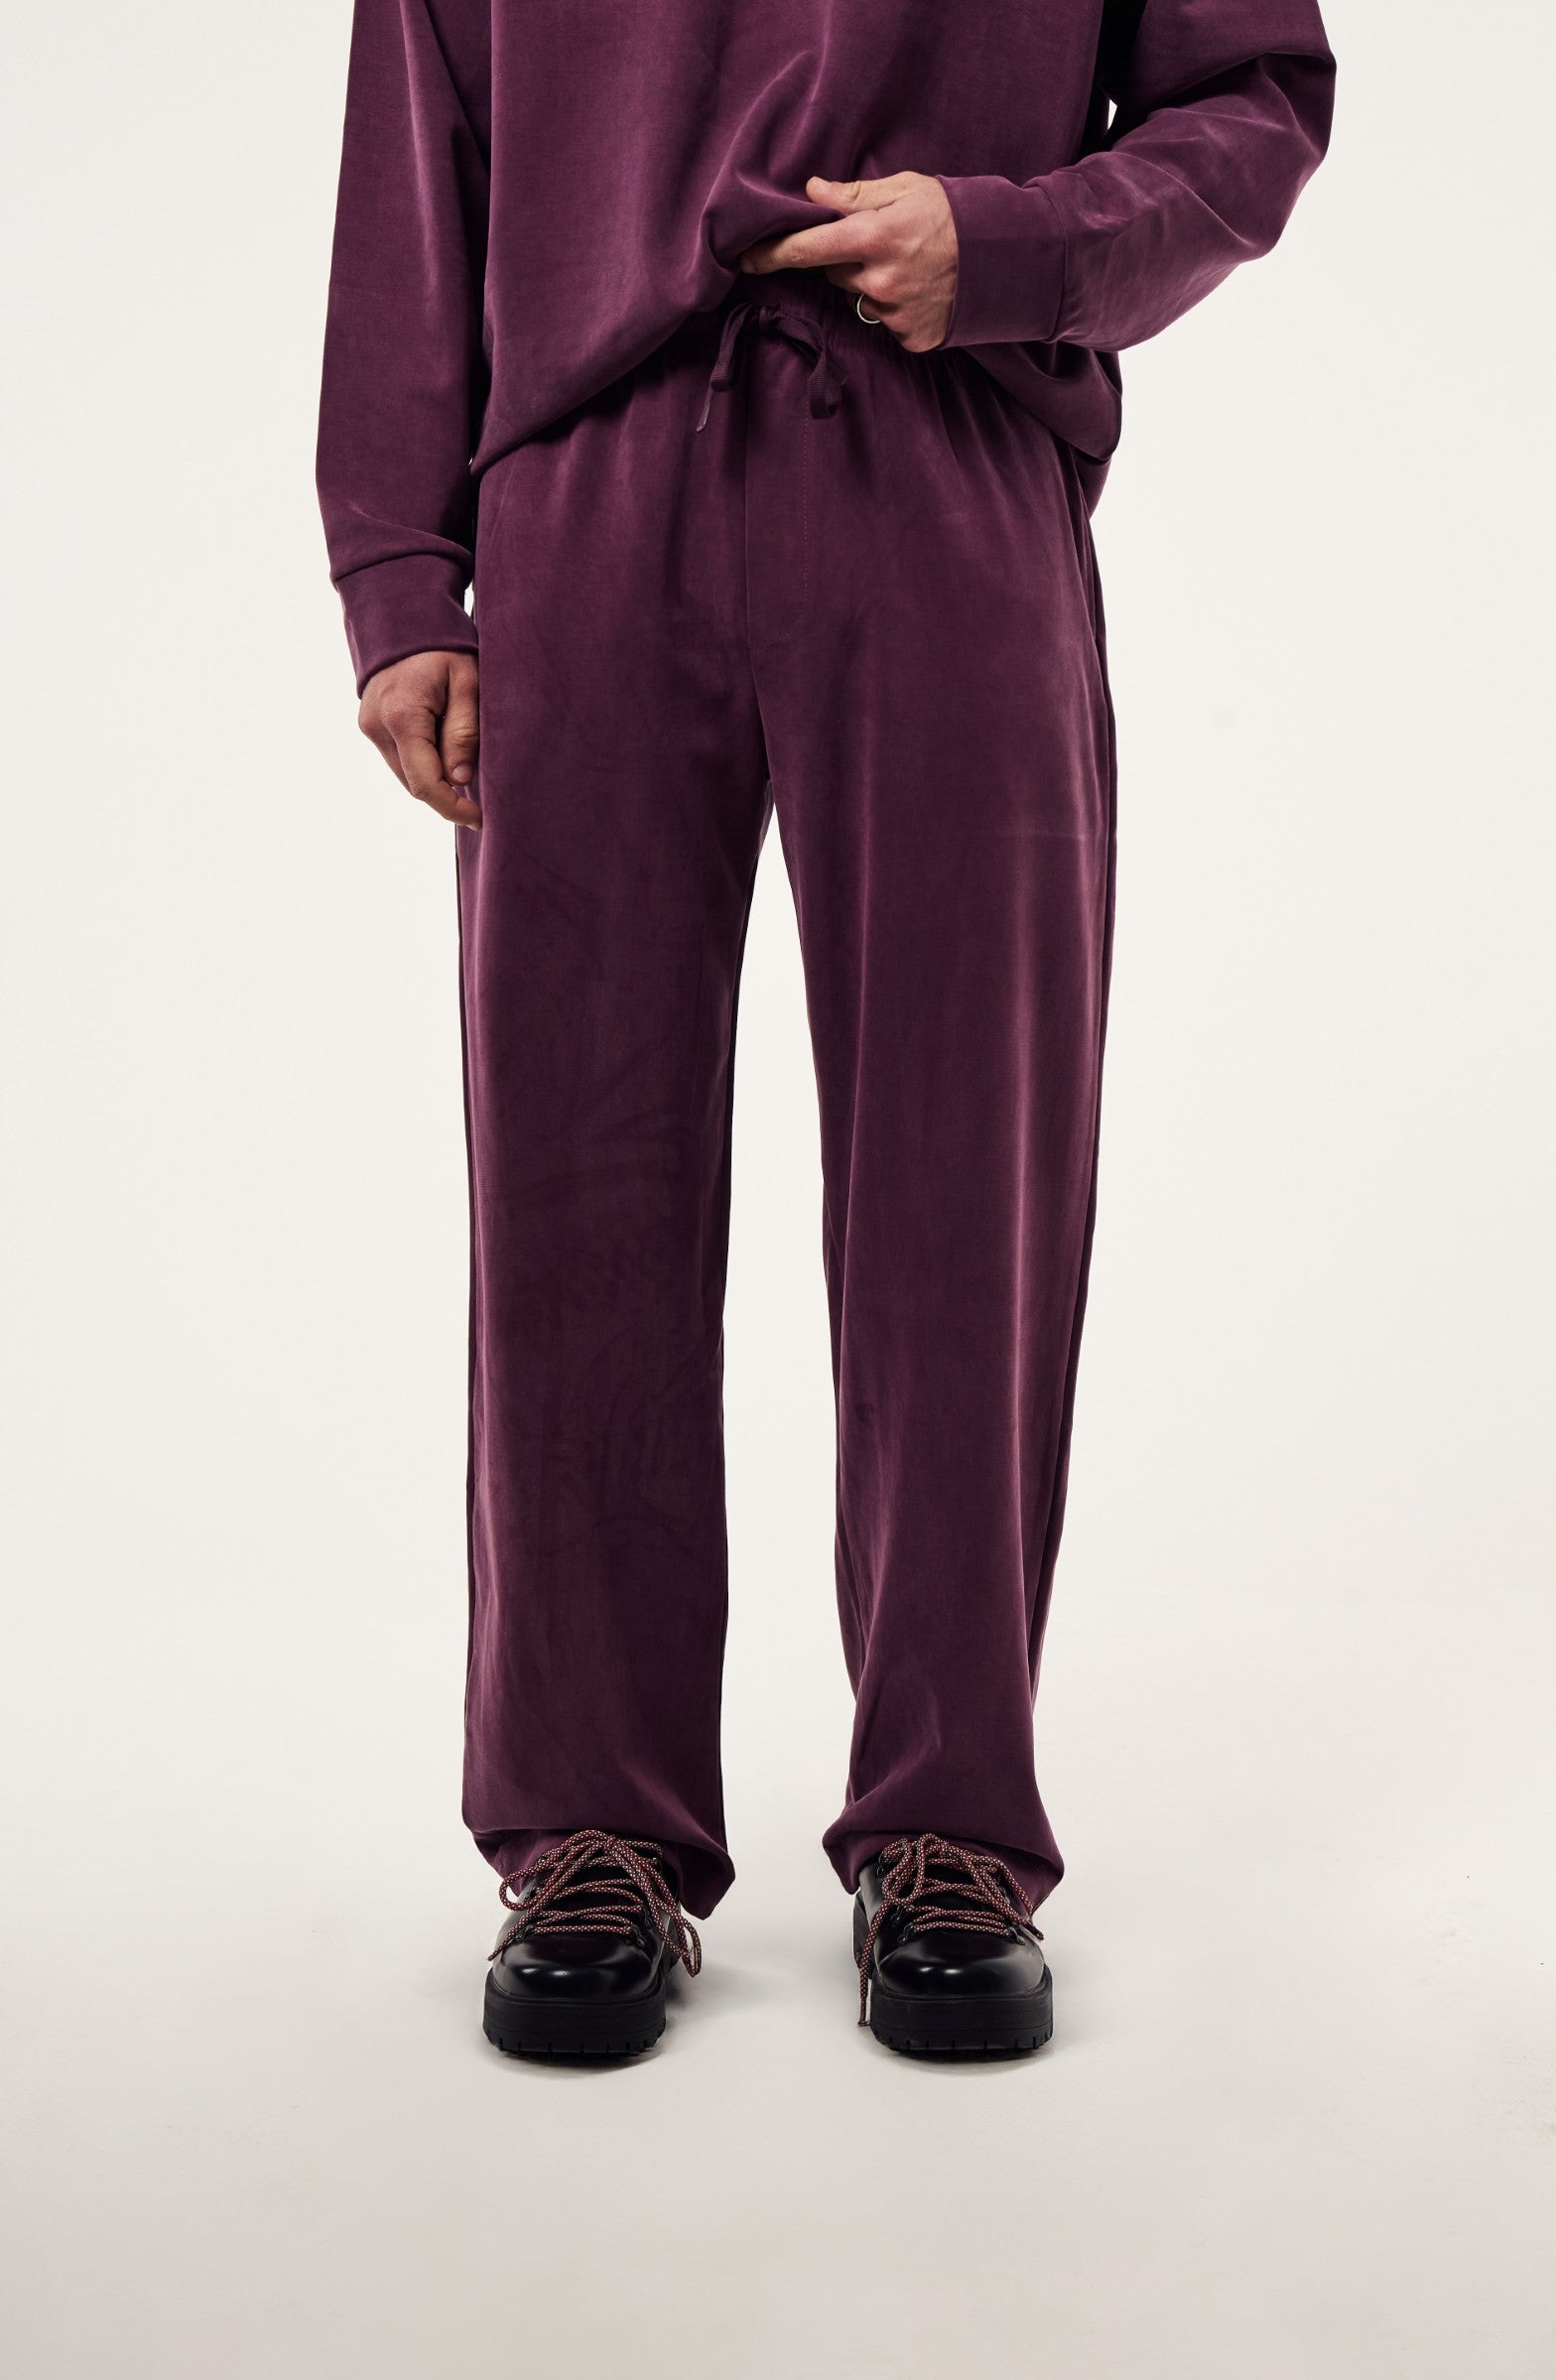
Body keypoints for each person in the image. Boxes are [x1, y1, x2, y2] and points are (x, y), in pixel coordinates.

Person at [318, 0, 1335, 2061]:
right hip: (584, 485)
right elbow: (417, 139)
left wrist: (1019, 240)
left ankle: (950, 1820)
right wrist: (402, 571)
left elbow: (1255, 94)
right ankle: (589, 1820)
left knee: (967, 1176)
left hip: (948, 452)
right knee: (572, 1172)